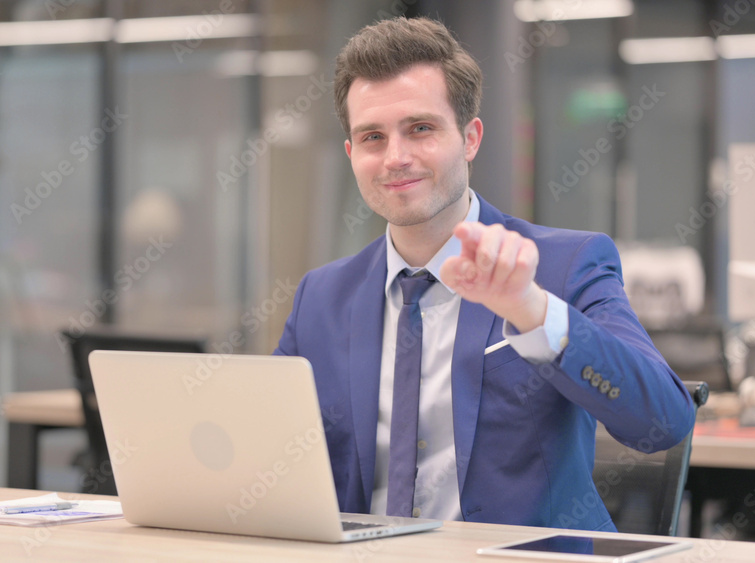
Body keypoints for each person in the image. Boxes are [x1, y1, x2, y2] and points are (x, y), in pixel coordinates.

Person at [274, 16, 695, 531]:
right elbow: (267, 452)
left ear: (470, 138)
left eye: (421, 129)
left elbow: (663, 423)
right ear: (351, 154)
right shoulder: (321, 296)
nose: (395, 157)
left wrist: (532, 311)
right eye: (372, 138)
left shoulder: (564, 265)